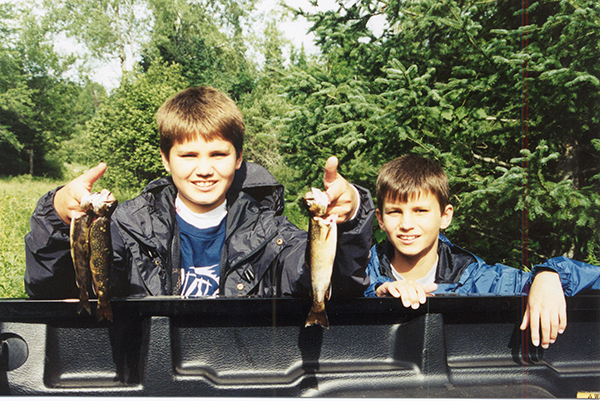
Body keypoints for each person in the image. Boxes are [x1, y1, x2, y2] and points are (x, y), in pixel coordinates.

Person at [24, 85, 374, 300]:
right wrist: (57, 215)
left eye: (218, 155)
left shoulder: (274, 235)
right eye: (188, 155)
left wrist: (351, 216)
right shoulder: (124, 228)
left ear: (238, 159)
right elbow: (51, 289)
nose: (204, 169)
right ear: (165, 159)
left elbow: (335, 285)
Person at [366, 154, 600, 349]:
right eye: (395, 211)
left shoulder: (476, 278)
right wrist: (376, 290)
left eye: (420, 211)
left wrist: (550, 275)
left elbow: (594, 279)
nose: (407, 223)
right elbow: (338, 285)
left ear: (445, 216)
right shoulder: (360, 271)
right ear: (380, 218)